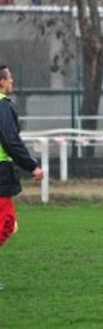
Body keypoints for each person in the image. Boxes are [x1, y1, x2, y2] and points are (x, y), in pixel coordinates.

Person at [0, 64, 44, 291]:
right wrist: (31, 166)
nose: (12, 82)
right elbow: (10, 140)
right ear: (1, 82)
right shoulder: (2, 106)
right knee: (6, 221)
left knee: (8, 222)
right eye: (10, 78)